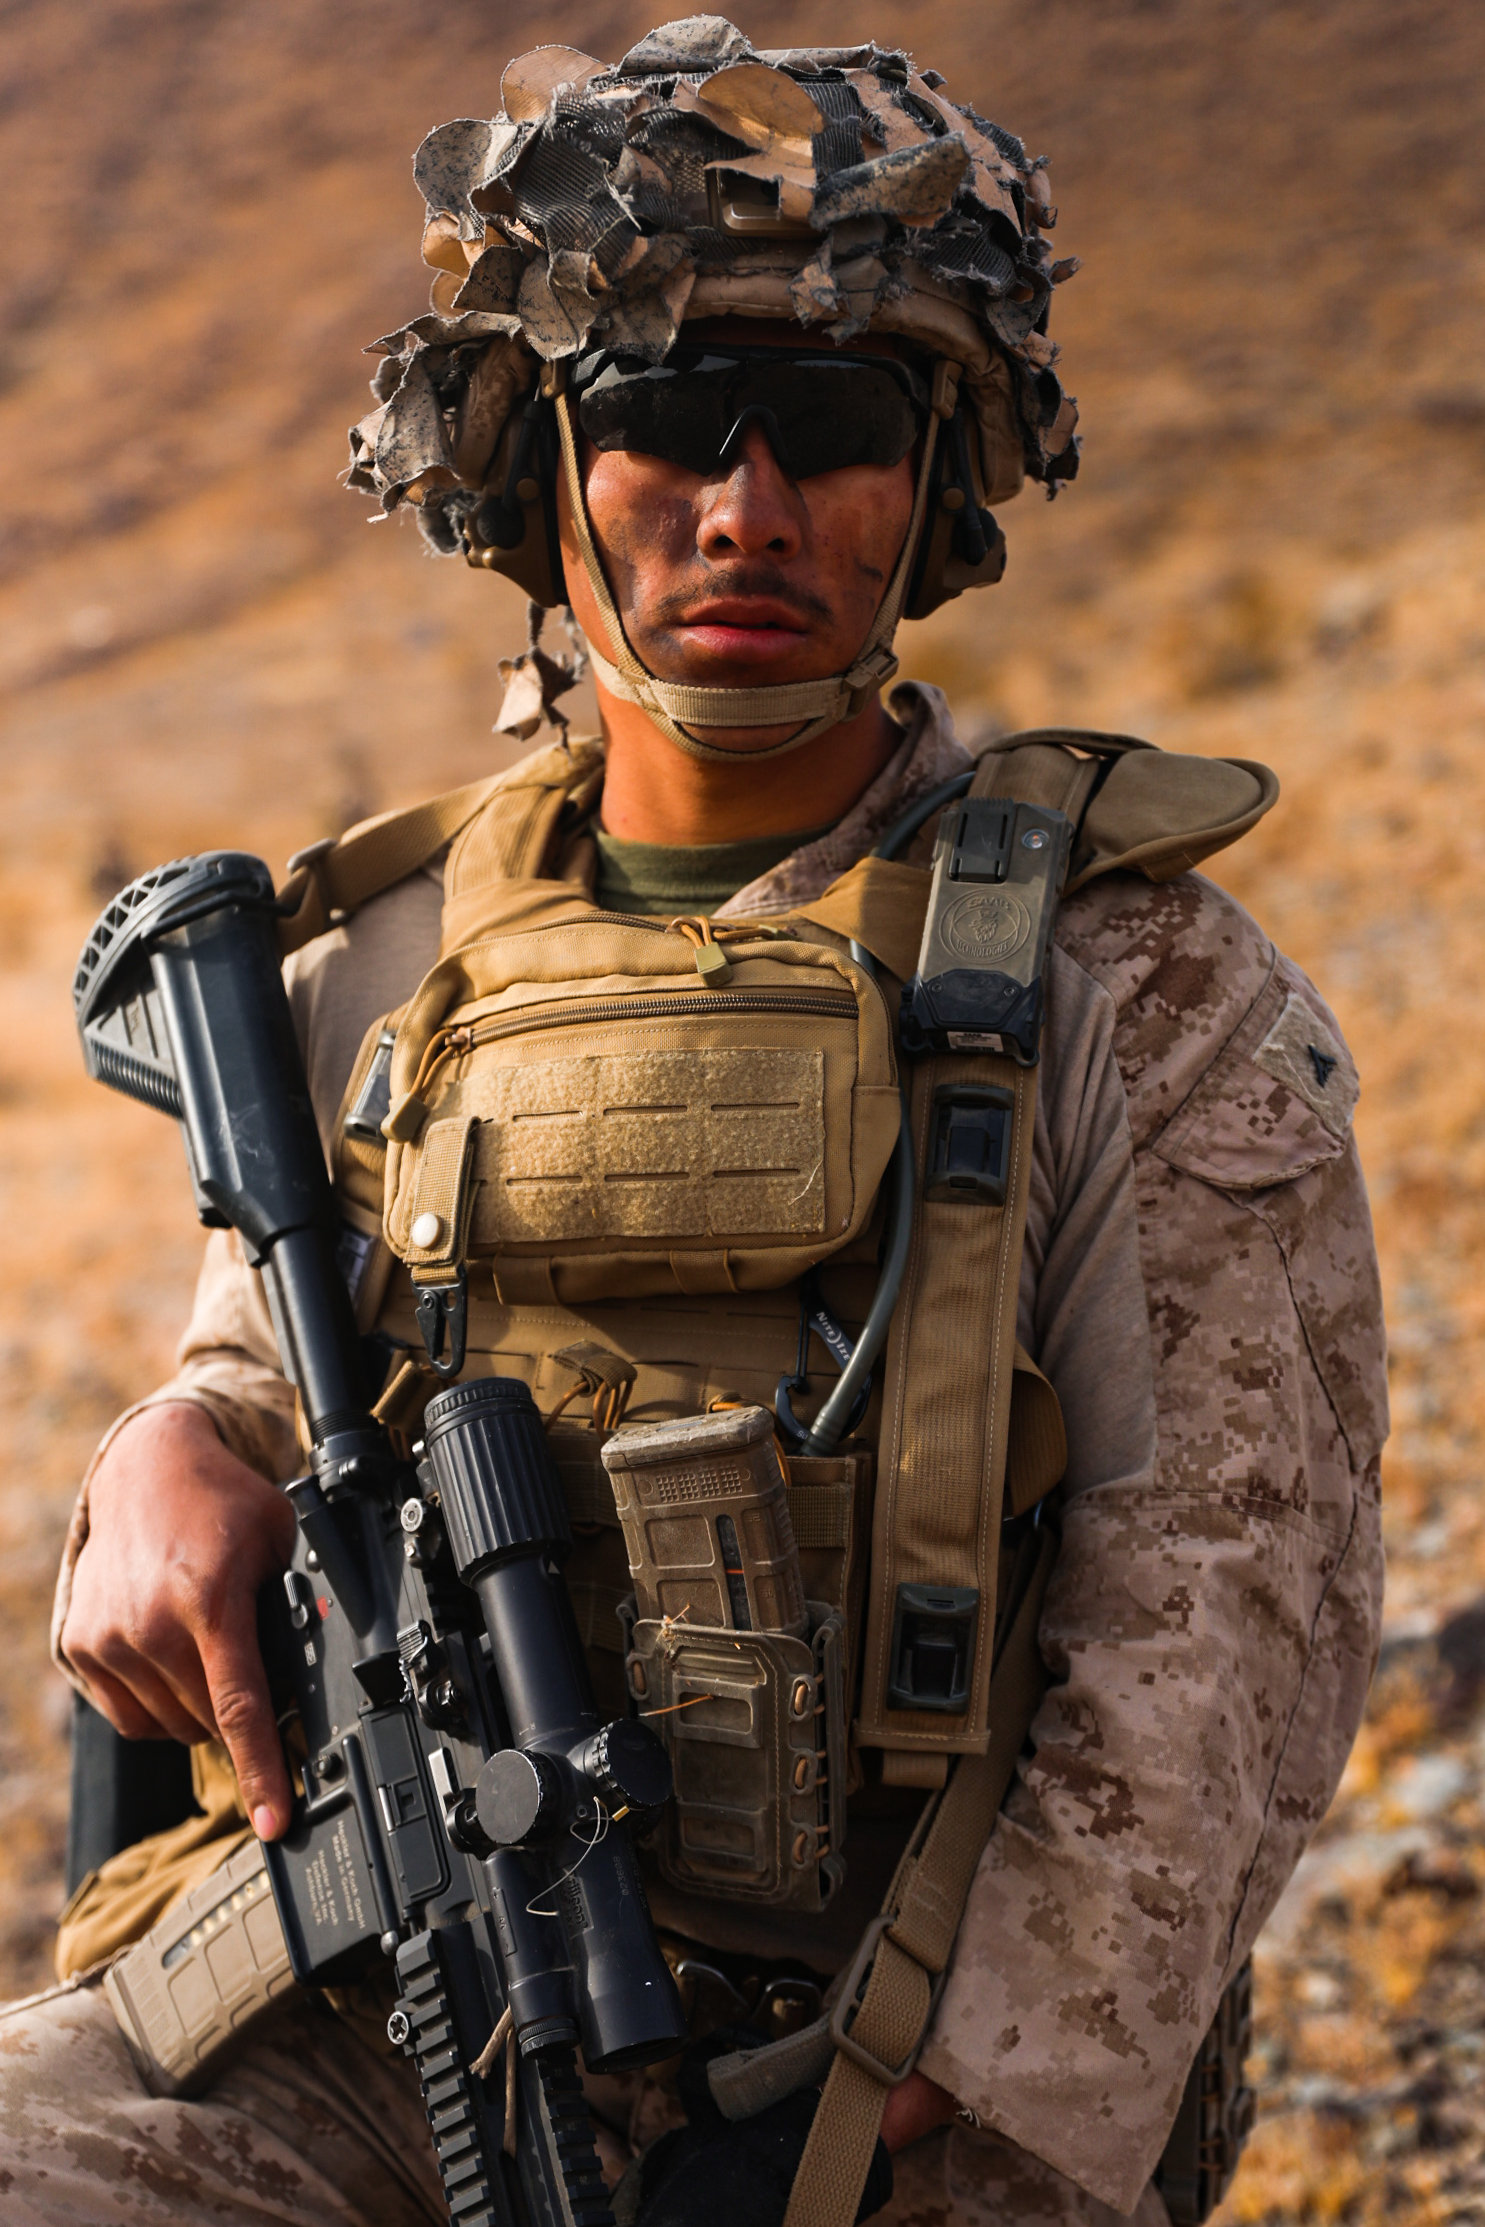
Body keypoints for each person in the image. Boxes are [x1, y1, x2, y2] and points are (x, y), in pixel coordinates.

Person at [6, 20, 1386, 2227]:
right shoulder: (372, 957)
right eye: (660, 420)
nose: (743, 505)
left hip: (896, 2045)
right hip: (390, 2002)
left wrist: (974, 2075)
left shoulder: (1130, 980)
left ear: (932, 479)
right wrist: (158, 1455)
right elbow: (260, 1379)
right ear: (537, 467)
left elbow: (1227, 1599)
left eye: (830, 427)